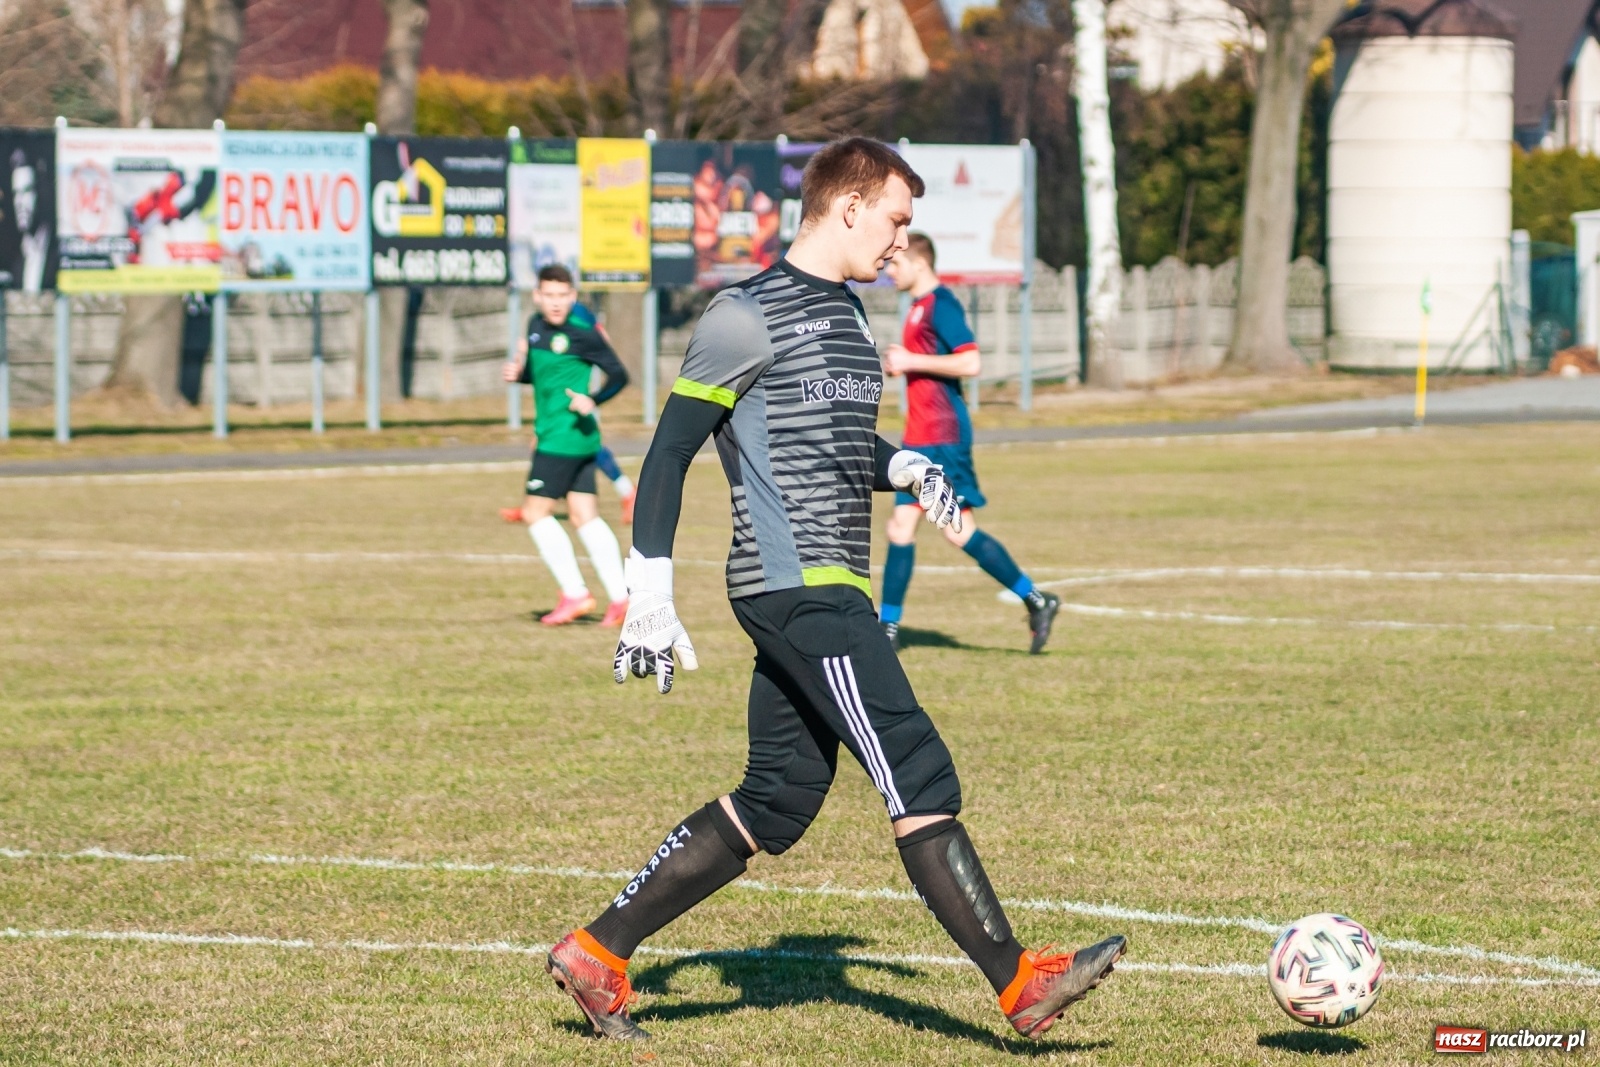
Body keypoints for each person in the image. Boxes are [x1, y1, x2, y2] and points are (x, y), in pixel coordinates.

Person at [544, 138, 1125, 1042]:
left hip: (824, 580)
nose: (901, 240)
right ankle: (1020, 984)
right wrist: (649, 586)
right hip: (799, 588)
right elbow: (668, 451)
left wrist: (906, 463)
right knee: (917, 766)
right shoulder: (744, 314)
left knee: (779, 795)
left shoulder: (853, 319)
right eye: (896, 219)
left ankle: (598, 950)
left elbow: (841, 449)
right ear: (848, 206)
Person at [879, 235, 1062, 654]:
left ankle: (1036, 599)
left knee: (958, 532)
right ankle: (887, 630)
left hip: (942, 438)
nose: (889, 270)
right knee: (900, 527)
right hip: (919, 436)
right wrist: (904, 367)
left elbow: (971, 360)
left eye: (896, 263)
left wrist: (910, 361)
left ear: (919, 263)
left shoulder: (942, 304)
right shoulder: (916, 308)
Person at [500, 264, 632, 627]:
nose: (556, 303)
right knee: (583, 516)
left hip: (563, 438)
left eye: (563, 296)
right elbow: (543, 374)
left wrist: (594, 400)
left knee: (535, 513)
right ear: (537, 296)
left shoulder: (583, 333)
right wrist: (520, 374)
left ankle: (575, 594)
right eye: (550, 296)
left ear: (573, 297)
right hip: (573, 438)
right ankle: (621, 599)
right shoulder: (535, 327)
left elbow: (620, 375)